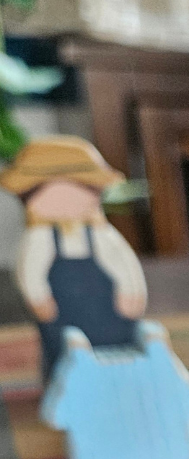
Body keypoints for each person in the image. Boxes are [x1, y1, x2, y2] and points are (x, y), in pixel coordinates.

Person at [1, 137, 146, 380]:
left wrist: (132, 292)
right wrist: (39, 299)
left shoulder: (102, 234)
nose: (66, 202)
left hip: (107, 308)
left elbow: (122, 262)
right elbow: (30, 272)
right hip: (62, 312)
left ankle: (121, 380)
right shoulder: (38, 238)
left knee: (119, 349)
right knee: (63, 356)